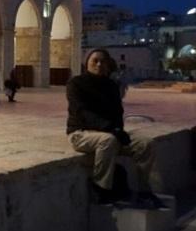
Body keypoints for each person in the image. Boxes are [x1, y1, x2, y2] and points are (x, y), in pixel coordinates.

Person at [66, 48, 165, 208]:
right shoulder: (76, 84)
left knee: (145, 144)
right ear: (87, 63)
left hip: (109, 131)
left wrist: (119, 129)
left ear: (108, 65)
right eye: (95, 60)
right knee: (108, 140)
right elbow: (82, 112)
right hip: (81, 133)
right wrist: (111, 129)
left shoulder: (111, 86)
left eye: (103, 61)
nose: (99, 64)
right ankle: (101, 189)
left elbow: (118, 112)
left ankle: (146, 192)